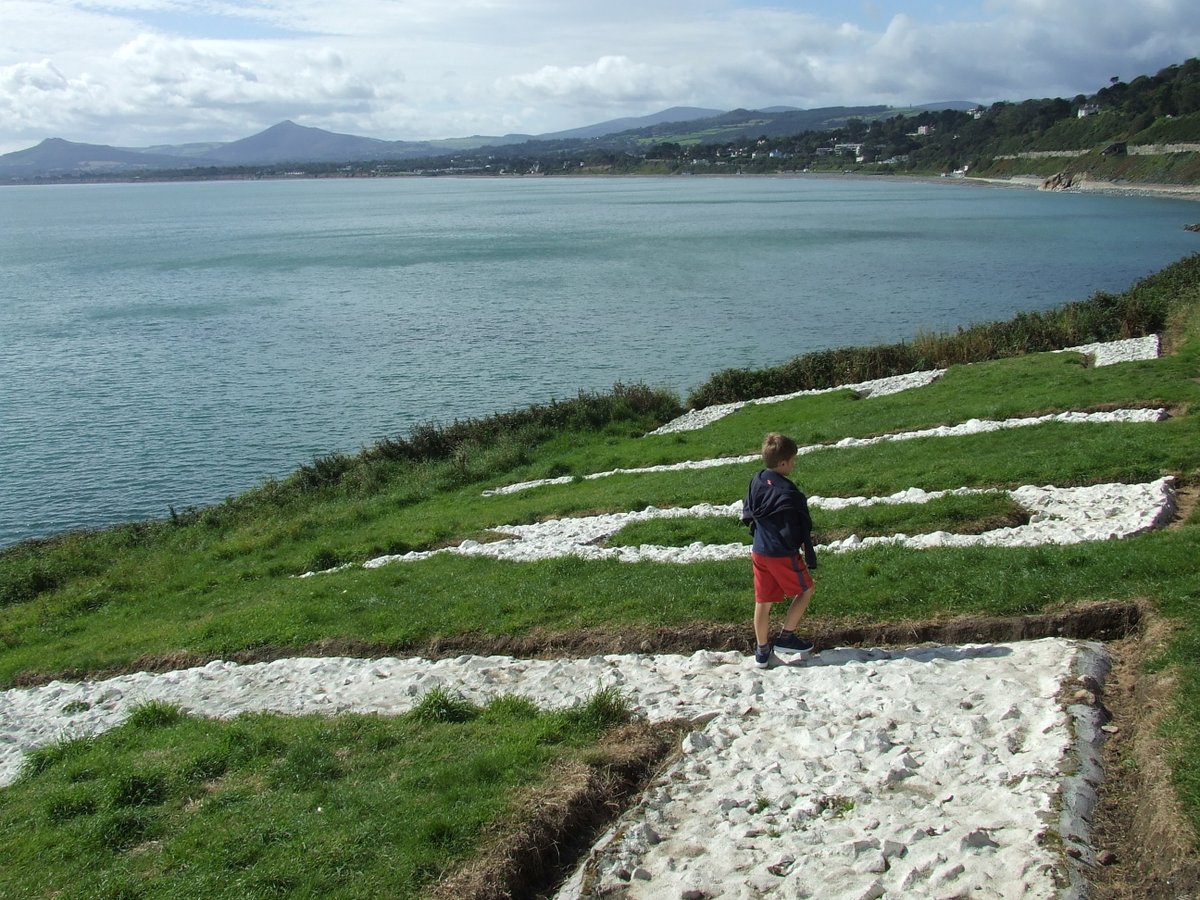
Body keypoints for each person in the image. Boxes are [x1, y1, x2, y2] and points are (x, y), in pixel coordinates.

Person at [741, 432, 817, 668]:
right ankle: (786, 637)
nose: (794, 464)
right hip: (780, 553)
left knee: (763, 600)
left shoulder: (758, 479)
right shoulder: (789, 493)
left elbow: (748, 509)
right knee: (805, 590)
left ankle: (762, 651)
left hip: (759, 549)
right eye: (793, 460)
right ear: (783, 463)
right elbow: (797, 527)